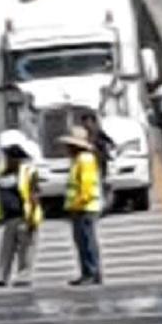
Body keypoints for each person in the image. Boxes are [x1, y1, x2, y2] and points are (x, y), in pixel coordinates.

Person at [0, 142, 43, 287]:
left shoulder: (28, 172)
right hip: (9, 217)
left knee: (26, 249)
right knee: (6, 249)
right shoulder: (2, 174)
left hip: (24, 216)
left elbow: (34, 195)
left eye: (10, 157)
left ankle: (24, 276)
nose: (7, 160)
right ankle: (0, 276)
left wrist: (32, 218)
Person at [59, 126, 103, 286]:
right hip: (81, 207)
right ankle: (88, 272)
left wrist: (77, 204)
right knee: (82, 242)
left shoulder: (85, 160)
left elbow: (86, 187)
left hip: (84, 207)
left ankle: (91, 272)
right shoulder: (79, 160)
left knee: (87, 241)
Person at [81, 113, 114, 213]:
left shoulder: (98, 131)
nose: (87, 124)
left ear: (93, 122)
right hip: (88, 163)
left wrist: (107, 147)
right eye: (84, 122)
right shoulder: (83, 134)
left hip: (99, 161)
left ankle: (102, 204)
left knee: (100, 182)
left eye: (88, 121)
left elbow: (109, 141)